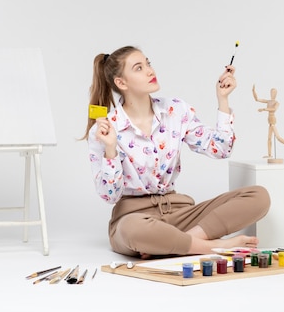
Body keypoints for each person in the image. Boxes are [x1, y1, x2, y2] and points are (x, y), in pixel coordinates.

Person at [82, 46, 270, 259]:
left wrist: (223, 100)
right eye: (139, 68)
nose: (150, 71)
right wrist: (110, 149)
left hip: (180, 213)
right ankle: (212, 247)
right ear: (121, 83)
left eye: (148, 63)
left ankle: (179, 243)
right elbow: (110, 195)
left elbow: (221, 149)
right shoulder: (106, 128)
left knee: (258, 196)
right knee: (131, 228)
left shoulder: (176, 110)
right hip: (135, 217)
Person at [252, 84, 284, 159]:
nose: (272, 94)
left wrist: (264, 109)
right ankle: (269, 155)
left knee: (278, 137)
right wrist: (253, 91)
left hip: (273, 120)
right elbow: (257, 99)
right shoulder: (268, 101)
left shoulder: (277, 103)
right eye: (271, 92)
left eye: (274, 93)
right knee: (269, 139)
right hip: (269, 121)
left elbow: (274, 109)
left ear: (276, 94)